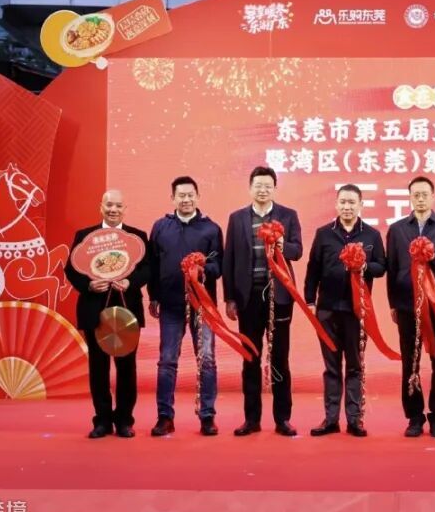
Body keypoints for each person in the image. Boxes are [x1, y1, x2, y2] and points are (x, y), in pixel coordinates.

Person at [223, 166, 303, 437]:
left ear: (275, 188)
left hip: (279, 297)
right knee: (251, 358)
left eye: (268, 185)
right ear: (250, 188)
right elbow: (229, 258)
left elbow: (297, 251)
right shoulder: (237, 218)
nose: (263, 190)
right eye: (258, 185)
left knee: (280, 358)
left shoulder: (288, 215)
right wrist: (230, 298)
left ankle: (283, 419)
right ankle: (251, 419)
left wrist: (281, 244)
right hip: (248, 298)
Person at [65, 189, 150, 439]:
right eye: (109, 205)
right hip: (95, 311)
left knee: (126, 368)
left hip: (127, 311)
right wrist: (89, 285)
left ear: (125, 209)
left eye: (118, 206)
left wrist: (131, 282)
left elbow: (148, 269)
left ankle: (124, 420)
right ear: (101, 207)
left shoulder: (138, 237)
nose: (113, 210)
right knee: (98, 367)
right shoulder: (85, 237)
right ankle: (102, 421)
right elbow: (71, 270)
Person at [304, 184, 386, 438]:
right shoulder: (323, 234)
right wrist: (310, 301)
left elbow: (382, 267)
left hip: (357, 311)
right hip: (327, 310)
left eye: (352, 202)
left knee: (354, 366)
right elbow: (313, 268)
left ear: (360, 205)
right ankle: (330, 419)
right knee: (331, 367)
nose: (347, 207)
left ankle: (354, 419)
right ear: (336, 204)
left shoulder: (371, 235)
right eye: (343, 202)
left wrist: (364, 265)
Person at [147, 176, 224, 437]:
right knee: (167, 360)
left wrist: (202, 269)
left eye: (190, 195)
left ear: (197, 197)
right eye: (181, 195)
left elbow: (218, 267)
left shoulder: (211, 229)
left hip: (203, 306)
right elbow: (153, 265)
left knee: (207, 360)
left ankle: (207, 416)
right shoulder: (160, 227)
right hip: (170, 306)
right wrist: (153, 296)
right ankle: (164, 417)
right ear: (173, 198)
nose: (186, 199)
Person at [386, 175, 435, 438]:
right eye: (415, 195)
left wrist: (433, 257)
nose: (420, 199)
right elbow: (392, 268)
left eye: (424, 194)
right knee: (410, 360)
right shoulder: (397, 229)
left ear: (433, 197)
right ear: (410, 197)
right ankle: (414, 417)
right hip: (407, 304)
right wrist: (393, 303)